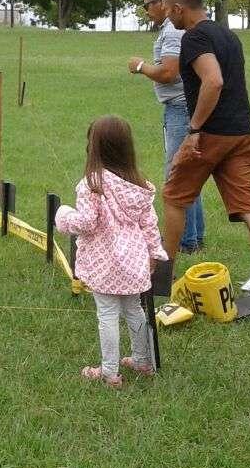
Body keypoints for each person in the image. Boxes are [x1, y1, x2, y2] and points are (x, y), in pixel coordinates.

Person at [161, 0, 250, 311]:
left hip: (211, 136)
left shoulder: (193, 37)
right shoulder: (228, 35)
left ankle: (162, 279)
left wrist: (194, 129)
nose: (167, 16)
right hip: (244, 134)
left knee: (174, 197)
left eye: (168, 10)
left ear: (179, 8)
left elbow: (214, 80)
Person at [55, 116, 168, 387]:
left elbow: (86, 223)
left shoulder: (91, 183)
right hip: (134, 263)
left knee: (107, 314)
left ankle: (109, 372)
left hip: (103, 264)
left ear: (94, 147)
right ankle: (142, 361)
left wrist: (63, 216)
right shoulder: (139, 185)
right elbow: (150, 225)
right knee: (134, 309)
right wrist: (154, 253)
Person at [128, 0, 206, 253]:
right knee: (188, 172)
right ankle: (193, 237)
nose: (146, 11)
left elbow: (169, 72)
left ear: (161, 3)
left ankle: (184, 240)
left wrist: (140, 66)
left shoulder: (172, 31)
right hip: (183, 107)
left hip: (180, 108)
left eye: (147, 5)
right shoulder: (172, 29)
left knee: (178, 174)